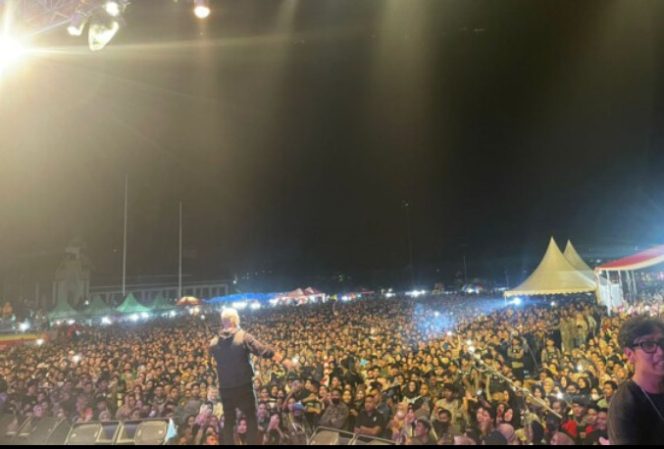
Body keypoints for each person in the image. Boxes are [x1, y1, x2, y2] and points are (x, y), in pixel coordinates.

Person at [208, 308, 287, 445]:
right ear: (234, 320)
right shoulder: (243, 336)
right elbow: (262, 350)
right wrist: (283, 360)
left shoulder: (213, 342)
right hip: (243, 386)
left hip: (225, 388)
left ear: (223, 321)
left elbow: (212, 364)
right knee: (251, 418)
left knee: (229, 420)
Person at [608, 315, 664, 445]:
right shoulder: (624, 404)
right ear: (629, 354)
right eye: (649, 345)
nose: (660, 352)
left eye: (662, 342)